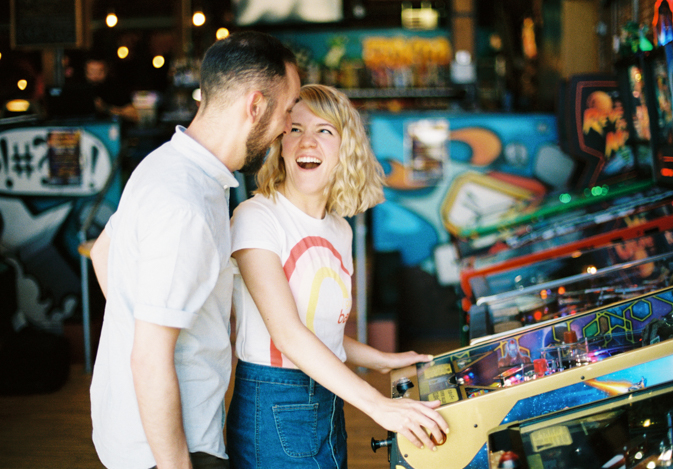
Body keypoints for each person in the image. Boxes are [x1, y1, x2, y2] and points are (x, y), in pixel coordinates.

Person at [88, 31, 300, 469]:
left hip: (132, 431)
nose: (286, 126)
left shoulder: (166, 164)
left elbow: (102, 252)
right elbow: (149, 357)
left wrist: (147, 318)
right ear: (255, 106)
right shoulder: (187, 206)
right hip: (170, 447)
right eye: (287, 109)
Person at [226, 84, 449, 468]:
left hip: (327, 401)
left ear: (345, 147)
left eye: (324, 131)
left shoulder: (339, 229)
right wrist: (377, 405)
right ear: (279, 142)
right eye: (294, 129)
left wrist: (380, 359)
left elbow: (320, 331)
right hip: (272, 402)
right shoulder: (256, 216)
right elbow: (287, 334)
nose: (306, 141)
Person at [83, 55, 139, 123]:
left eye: (99, 72)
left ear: (106, 72)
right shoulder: (79, 90)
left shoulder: (115, 89)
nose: (95, 77)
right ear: (85, 72)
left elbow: (135, 115)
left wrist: (106, 108)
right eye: (91, 72)